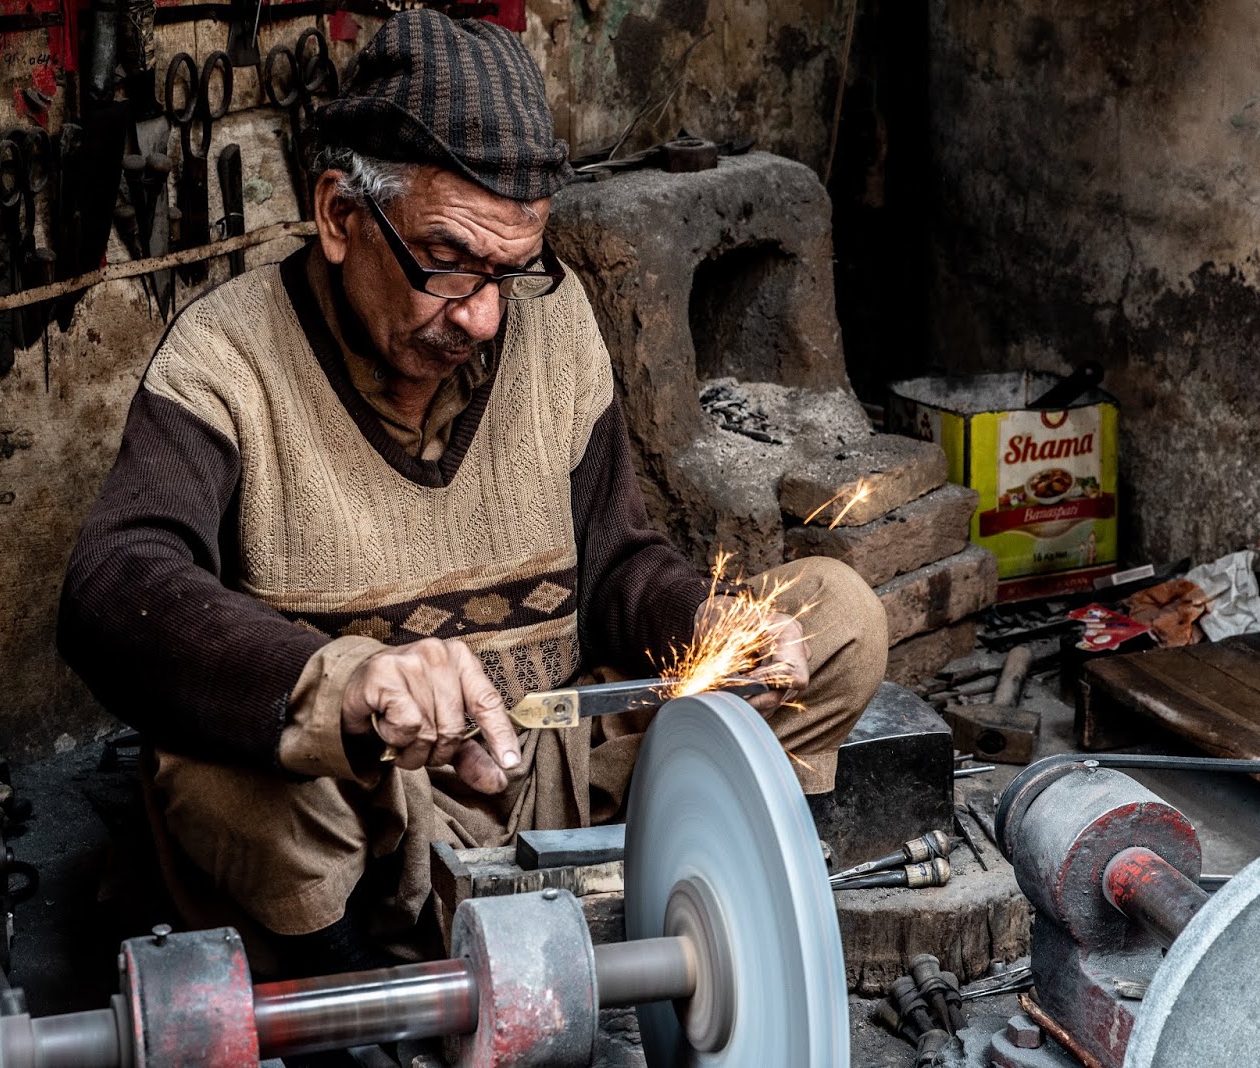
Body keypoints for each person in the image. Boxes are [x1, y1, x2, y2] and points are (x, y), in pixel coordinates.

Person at [58, 9, 890, 974]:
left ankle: (653, 893)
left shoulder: (553, 319)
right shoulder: (225, 359)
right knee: (212, 776)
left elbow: (619, 559)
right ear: (338, 216)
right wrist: (345, 681)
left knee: (838, 619)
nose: (486, 315)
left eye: (514, 269)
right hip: (377, 810)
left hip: (557, 772)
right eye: (448, 264)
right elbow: (112, 587)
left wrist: (703, 623)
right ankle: (361, 989)